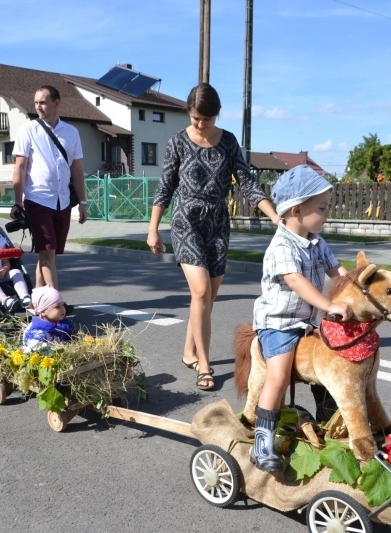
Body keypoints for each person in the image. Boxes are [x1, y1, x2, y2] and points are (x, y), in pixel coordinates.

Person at [147, 83, 279, 391]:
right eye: (195, 118)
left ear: (216, 115)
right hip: (186, 222)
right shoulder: (177, 142)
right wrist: (153, 229)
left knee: (207, 298)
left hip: (218, 223)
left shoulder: (229, 142)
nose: (200, 124)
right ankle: (203, 366)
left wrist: (273, 216)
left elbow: (247, 183)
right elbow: (165, 187)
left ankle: (189, 351)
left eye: (206, 119)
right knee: (202, 291)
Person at [249, 165, 352, 472]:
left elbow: (338, 273)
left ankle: (328, 419)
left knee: (330, 362)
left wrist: (357, 290)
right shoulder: (281, 245)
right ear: (297, 209)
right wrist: (329, 305)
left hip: (304, 323)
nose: (327, 213)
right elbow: (296, 281)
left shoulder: (317, 242)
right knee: (278, 376)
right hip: (278, 323)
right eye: (322, 208)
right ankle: (262, 443)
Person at [11, 85, 87, 290]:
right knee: (47, 251)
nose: (38, 107)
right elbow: (19, 167)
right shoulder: (28, 130)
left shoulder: (71, 132)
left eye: (43, 102)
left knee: (49, 254)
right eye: (36, 103)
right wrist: (18, 202)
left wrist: (82, 201)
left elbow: (77, 170)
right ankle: (55, 301)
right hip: (38, 199)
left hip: (63, 201)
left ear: (56, 102)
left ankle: (37, 299)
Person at [22, 286, 75, 350]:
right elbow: (38, 350)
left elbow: (75, 336)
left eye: (63, 305)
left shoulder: (62, 322)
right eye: (57, 307)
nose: (63, 309)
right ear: (43, 311)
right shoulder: (38, 332)